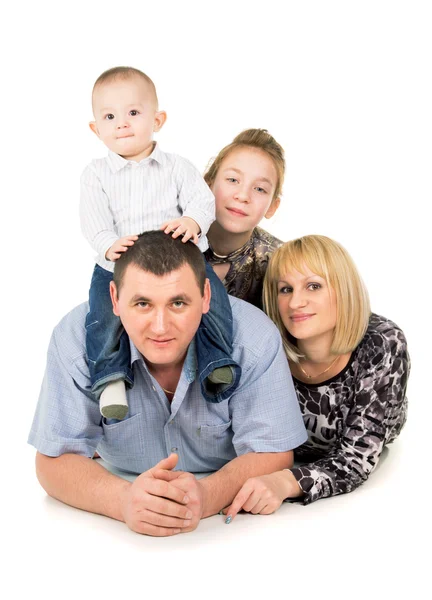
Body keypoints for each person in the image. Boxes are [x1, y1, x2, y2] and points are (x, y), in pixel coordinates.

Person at [28, 231, 307, 537]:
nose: (160, 328)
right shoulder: (75, 338)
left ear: (205, 297)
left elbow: (274, 451)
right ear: (114, 299)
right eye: (143, 304)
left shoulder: (253, 338)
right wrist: (122, 500)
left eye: (177, 303)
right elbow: (53, 460)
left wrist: (205, 496)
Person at [80, 66, 239, 420]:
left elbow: (202, 201)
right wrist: (108, 243)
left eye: (133, 113)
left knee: (214, 303)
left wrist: (192, 221)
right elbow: (93, 219)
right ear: (96, 129)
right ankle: (110, 380)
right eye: (109, 116)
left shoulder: (177, 167)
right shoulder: (96, 174)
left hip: (180, 265)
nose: (122, 123)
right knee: (102, 317)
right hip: (118, 265)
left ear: (158, 119)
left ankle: (216, 361)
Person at [224, 235, 410, 519]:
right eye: (285, 289)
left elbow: (356, 460)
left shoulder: (383, 342)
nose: (296, 302)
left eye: (313, 286)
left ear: (343, 291)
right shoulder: (262, 342)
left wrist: (285, 482)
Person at [204, 128, 285, 309]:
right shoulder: (167, 232)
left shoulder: (282, 262)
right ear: (208, 183)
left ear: (272, 206)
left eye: (259, 189)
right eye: (233, 180)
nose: (243, 196)